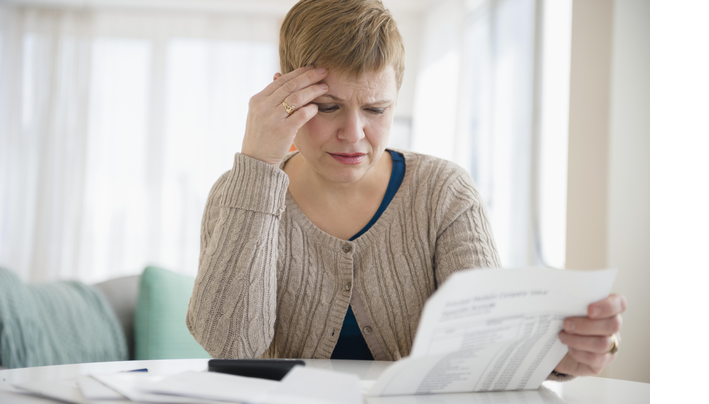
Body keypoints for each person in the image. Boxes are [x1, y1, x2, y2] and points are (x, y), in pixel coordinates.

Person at [186, 0, 625, 380]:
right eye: (328, 107)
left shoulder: (444, 193)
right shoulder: (239, 192)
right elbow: (232, 347)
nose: (353, 134)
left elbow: (487, 343)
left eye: (376, 108)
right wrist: (259, 166)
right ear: (287, 96)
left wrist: (559, 356)